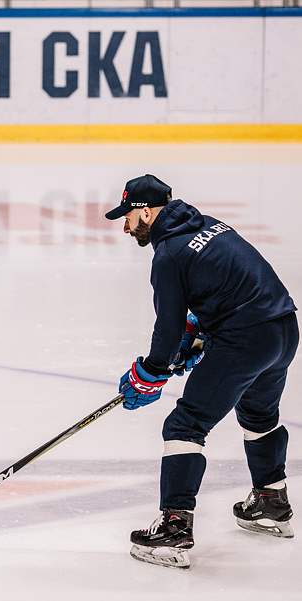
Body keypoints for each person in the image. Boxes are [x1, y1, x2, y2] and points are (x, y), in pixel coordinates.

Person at [106, 174, 297, 569]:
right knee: (259, 415)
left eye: (128, 215)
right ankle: (270, 501)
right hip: (283, 329)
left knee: (185, 425)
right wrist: (200, 332)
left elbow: (168, 328)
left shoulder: (170, 254)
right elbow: (230, 283)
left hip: (244, 340)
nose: (125, 225)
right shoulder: (209, 224)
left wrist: (151, 372)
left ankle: (174, 529)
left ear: (146, 211)